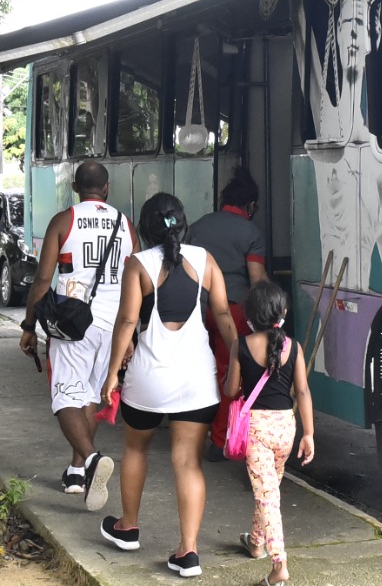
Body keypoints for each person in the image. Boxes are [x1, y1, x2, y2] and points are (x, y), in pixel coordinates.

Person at [98, 191, 238, 579]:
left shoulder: (138, 265)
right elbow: (224, 314)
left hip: (148, 381)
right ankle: (188, 552)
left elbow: (127, 323)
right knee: (187, 462)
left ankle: (128, 527)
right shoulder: (205, 261)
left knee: (135, 448)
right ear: (183, 223)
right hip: (196, 382)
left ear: (144, 227)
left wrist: (112, 373)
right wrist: (238, 358)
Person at [19, 160, 138, 511]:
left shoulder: (64, 220)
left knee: (65, 396)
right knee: (88, 395)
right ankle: (76, 471)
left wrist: (29, 325)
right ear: (107, 189)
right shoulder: (125, 225)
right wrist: (132, 334)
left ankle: (89, 458)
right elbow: (138, 281)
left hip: (73, 323)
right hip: (114, 325)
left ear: (75, 188)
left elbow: (43, 280)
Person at [224, 281, 314, 586]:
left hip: (257, 430)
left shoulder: (242, 344)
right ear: (283, 312)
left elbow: (230, 390)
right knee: (268, 489)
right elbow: (302, 391)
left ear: (250, 316)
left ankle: (279, 566)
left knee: (268, 497)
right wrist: (309, 434)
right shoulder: (295, 347)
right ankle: (256, 543)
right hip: (286, 428)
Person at [189, 166, 268, 459]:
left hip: (196, 309)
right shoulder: (251, 232)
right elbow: (257, 279)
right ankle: (221, 439)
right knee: (229, 372)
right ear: (250, 205)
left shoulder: (198, 226)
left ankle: (195, 431)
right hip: (232, 311)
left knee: (202, 370)